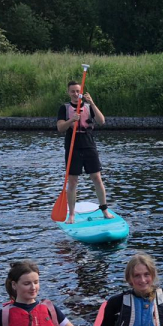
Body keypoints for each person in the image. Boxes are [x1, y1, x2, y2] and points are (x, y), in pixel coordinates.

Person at [56, 79, 114, 225]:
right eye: (73, 91)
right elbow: (60, 128)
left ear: (81, 92)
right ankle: (71, 215)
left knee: (96, 177)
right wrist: (71, 121)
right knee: (73, 181)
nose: (76, 94)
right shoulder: (64, 108)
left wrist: (93, 103)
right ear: (68, 93)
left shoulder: (88, 106)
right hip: (72, 147)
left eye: (78, 91)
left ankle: (104, 209)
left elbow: (102, 121)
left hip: (89, 146)